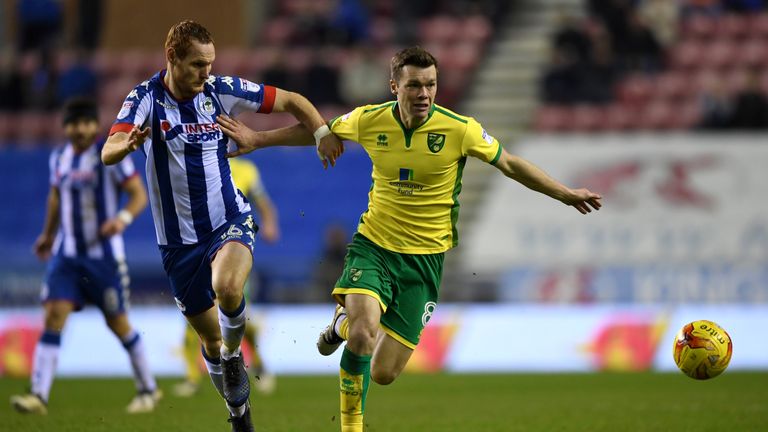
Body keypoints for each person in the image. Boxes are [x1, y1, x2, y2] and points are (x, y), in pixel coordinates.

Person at [216, 46, 603, 432]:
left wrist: (565, 193)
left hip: (424, 262)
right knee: (365, 333)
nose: (424, 93)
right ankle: (352, 425)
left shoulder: (460, 129)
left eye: (431, 84)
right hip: (374, 246)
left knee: (383, 372)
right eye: (414, 85)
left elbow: (511, 164)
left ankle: (340, 327)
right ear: (394, 87)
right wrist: (259, 138)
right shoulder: (370, 120)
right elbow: (318, 131)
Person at [100, 20, 343, 432]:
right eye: (197, 64)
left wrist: (320, 130)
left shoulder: (220, 90)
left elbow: (292, 100)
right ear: (172, 58)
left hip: (228, 220)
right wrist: (125, 144)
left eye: (210, 64)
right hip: (177, 245)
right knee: (208, 342)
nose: (205, 73)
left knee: (229, 288)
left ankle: (235, 354)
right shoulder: (144, 98)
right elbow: (109, 150)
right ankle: (238, 415)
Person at [10, 97, 158, 415]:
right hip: (67, 255)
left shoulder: (109, 155)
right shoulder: (59, 159)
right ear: (66, 128)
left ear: (95, 126)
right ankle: (39, 395)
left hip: (103, 257)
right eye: (74, 124)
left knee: (118, 323)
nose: (80, 129)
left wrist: (121, 219)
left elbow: (137, 195)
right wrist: (48, 235)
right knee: (53, 316)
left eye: (85, 123)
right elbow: (54, 197)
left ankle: (148, 388)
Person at [174, 156, 280, 397]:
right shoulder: (196, 164)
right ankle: (191, 378)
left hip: (232, 252)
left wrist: (270, 223)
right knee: (194, 320)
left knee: (241, 317)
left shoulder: (246, 170)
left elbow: (264, 203)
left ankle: (260, 366)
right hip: (200, 250)